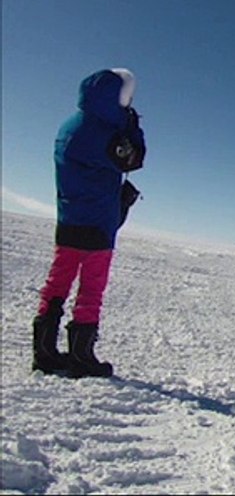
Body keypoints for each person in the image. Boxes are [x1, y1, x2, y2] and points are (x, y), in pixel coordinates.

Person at [32, 68, 146, 378]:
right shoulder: (105, 134)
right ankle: (81, 357)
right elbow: (134, 159)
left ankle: (44, 352)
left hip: (69, 218)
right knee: (91, 290)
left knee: (57, 283)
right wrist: (132, 126)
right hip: (97, 224)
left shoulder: (71, 125)